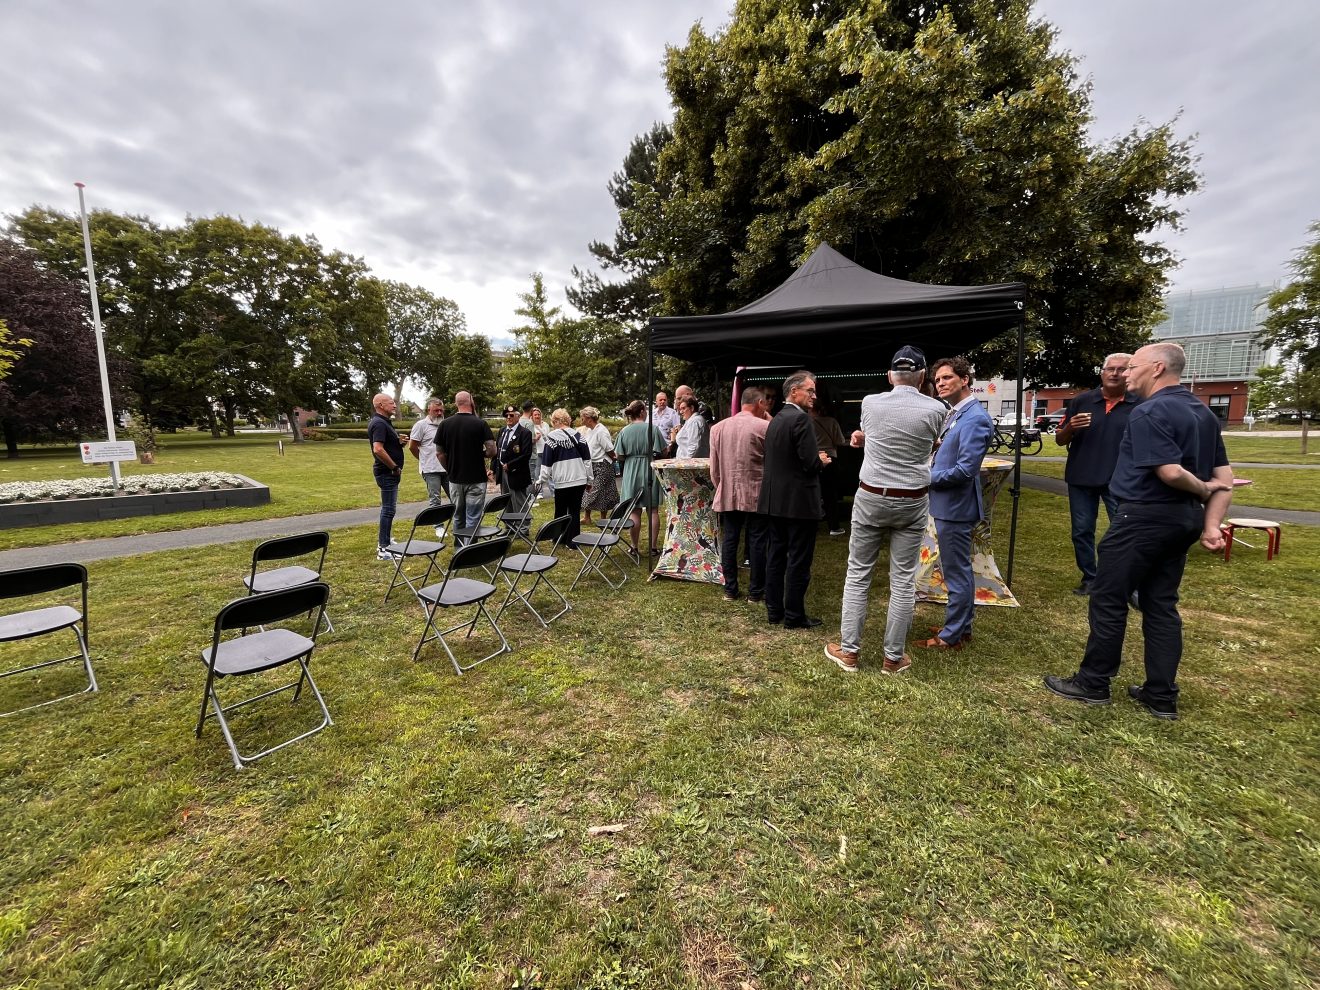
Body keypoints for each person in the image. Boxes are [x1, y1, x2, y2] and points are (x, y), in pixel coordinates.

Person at [1045, 343, 1232, 720]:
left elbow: (1171, 472)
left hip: (1144, 518)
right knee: (1161, 604)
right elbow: (1224, 477)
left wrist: (1201, 489)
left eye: (1133, 367)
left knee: (1108, 597)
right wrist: (1210, 524)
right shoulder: (1203, 413)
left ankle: (1093, 682)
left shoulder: (1150, 411)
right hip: (1182, 521)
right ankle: (1161, 694)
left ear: (1158, 368)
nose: (1127, 374)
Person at [825, 346, 947, 674]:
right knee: (903, 579)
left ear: (890, 375)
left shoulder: (870, 402)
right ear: (923, 377)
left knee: (858, 573)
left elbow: (878, 432)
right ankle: (893, 657)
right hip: (912, 498)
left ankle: (849, 651)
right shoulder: (937, 409)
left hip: (872, 496)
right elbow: (927, 441)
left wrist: (867, 440)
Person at [921, 356, 994, 651]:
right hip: (949, 505)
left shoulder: (975, 417)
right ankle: (961, 628)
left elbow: (965, 470)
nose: (940, 384)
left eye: (947, 378)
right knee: (958, 570)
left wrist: (926, 476)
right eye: (937, 380)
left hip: (956, 506)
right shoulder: (957, 414)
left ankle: (951, 637)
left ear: (965, 380)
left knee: (957, 573)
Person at [1055, 353, 1137, 594]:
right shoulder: (1082, 401)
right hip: (1082, 477)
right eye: (1110, 369)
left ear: (1130, 373)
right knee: (1082, 531)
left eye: (1121, 369)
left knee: (1122, 531)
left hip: (1120, 480)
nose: (1115, 373)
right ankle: (1090, 577)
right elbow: (1060, 439)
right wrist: (1070, 427)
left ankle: (1123, 582)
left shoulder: (1140, 403)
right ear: (1102, 373)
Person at [759, 370, 831, 629]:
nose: (814, 395)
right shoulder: (801, 420)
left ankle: (774, 611)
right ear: (794, 392)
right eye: (810, 391)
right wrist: (821, 460)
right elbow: (810, 464)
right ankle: (794, 616)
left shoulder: (776, 419)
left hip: (775, 502)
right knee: (799, 560)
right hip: (799, 503)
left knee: (776, 556)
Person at [708, 387, 770, 603]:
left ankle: (730, 589)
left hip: (728, 491)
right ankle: (755, 592)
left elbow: (714, 469)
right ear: (759, 403)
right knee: (757, 541)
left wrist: (721, 486)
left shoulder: (718, 428)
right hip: (757, 492)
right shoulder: (765, 427)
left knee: (730, 540)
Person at [435, 390, 496, 540]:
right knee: (473, 516)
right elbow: (492, 450)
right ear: (471, 402)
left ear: (456, 403)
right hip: (476, 477)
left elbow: (439, 453)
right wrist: (481, 454)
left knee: (458, 515)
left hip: (455, 478)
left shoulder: (445, 424)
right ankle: (470, 549)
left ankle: (459, 547)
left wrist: (449, 469)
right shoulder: (481, 424)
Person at [615, 399, 666, 553]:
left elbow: (619, 455)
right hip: (649, 468)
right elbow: (663, 451)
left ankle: (634, 546)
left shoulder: (624, 431)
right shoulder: (653, 429)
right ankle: (653, 547)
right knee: (653, 510)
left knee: (634, 510)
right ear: (643, 411)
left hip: (631, 470)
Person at [537, 408, 592, 541]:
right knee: (574, 511)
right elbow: (587, 461)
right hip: (579, 479)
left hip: (562, 481)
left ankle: (558, 537)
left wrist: (540, 480)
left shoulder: (551, 438)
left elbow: (546, 464)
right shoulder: (579, 436)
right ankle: (573, 540)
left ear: (555, 421)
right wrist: (589, 480)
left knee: (560, 511)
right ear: (567, 420)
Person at [368, 393, 405, 561]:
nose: (395, 405)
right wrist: (394, 467)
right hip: (387, 472)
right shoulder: (379, 423)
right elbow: (378, 449)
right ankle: (383, 548)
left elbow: (386, 446)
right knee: (388, 510)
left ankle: (387, 540)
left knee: (389, 509)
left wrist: (398, 443)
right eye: (391, 403)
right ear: (381, 405)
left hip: (389, 472)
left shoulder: (383, 423)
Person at [810, 397, 848, 536]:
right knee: (830, 494)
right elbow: (840, 441)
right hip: (831, 458)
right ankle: (834, 526)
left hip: (813, 458)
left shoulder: (806, 422)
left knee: (812, 492)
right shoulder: (831, 422)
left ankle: (812, 525)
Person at [578, 406, 618, 526]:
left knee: (601, 491)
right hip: (593, 464)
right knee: (589, 489)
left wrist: (613, 459)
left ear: (589, 419)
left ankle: (603, 518)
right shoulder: (590, 430)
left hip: (602, 464)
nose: (581, 421)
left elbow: (609, 449)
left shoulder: (601, 431)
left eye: (583, 418)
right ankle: (587, 517)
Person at [493, 404, 534, 517]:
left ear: (518, 416)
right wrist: (493, 468)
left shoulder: (524, 433)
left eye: (511, 415)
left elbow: (526, 455)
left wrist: (510, 465)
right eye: (506, 415)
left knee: (519, 501)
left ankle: (523, 527)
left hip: (517, 473)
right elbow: (498, 451)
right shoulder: (502, 431)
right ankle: (509, 526)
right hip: (503, 472)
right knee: (506, 501)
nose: (508, 418)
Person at [407, 396, 448, 508]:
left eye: (441, 410)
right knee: (435, 499)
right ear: (428, 411)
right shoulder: (420, 425)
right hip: (430, 469)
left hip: (447, 468)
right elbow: (412, 446)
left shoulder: (446, 425)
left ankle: (459, 523)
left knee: (455, 496)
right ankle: (438, 525)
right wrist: (423, 459)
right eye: (436, 410)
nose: (439, 413)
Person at [529, 407, 550, 502]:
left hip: (547, 451)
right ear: (532, 416)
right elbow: (528, 441)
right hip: (537, 452)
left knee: (551, 472)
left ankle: (554, 491)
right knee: (537, 474)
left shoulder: (545, 424)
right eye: (535, 415)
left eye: (538, 414)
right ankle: (539, 493)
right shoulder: (530, 425)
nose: (537, 416)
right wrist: (535, 439)